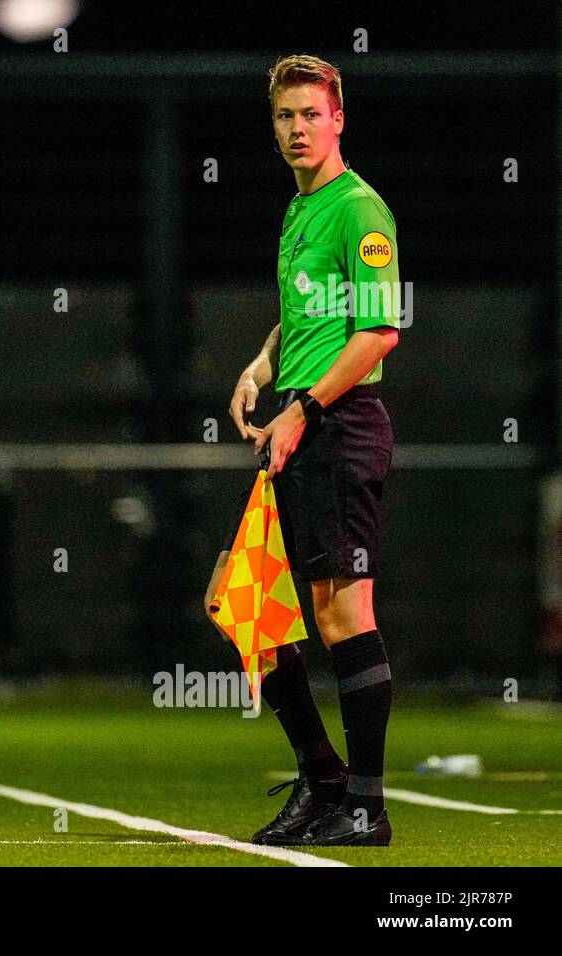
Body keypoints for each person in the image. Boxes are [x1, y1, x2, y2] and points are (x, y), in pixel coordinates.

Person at [229, 54, 401, 847]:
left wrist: (301, 407)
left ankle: (361, 806)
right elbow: (308, 317)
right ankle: (326, 781)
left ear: (339, 119)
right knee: (247, 607)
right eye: (285, 118)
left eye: (311, 115)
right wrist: (264, 364)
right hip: (302, 429)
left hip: (338, 427)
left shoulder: (361, 210)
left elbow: (377, 333)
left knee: (341, 614)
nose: (298, 129)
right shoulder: (302, 210)